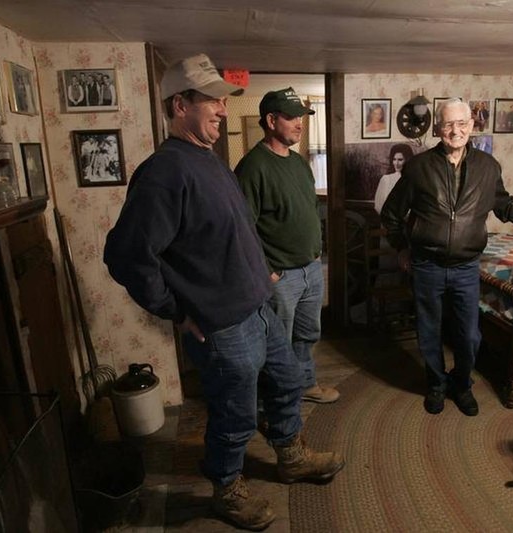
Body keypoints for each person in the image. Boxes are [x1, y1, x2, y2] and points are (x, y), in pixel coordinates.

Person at [103, 53, 344, 531]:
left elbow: (239, 231)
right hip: (221, 323)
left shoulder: (209, 160)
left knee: (287, 383)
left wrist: (262, 272)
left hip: (259, 308)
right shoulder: (164, 171)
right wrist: (176, 310)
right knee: (234, 412)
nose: (221, 109)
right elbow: (127, 256)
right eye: (211, 100)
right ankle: (227, 487)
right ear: (179, 105)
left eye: (221, 100)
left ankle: (290, 456)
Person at [380, 97, 513, 416]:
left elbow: (506, 205)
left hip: (466, 267)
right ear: (438, 128)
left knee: (470, 336)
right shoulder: (418, 168)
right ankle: (436, 385)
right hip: (427, 265)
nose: (455, 130)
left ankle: (461, 385)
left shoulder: (488, 168)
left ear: (472, 126)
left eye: (462, 123)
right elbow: (391, 215)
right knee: (429, 331)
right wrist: (402, 247)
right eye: (448, 124)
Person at [234, 87, 339, 404]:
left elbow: (305, 209)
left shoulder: (298, 163)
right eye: (292, 117)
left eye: (302, 118)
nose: (299, 124)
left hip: (311, 268)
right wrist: (266, 270)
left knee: (308, 335)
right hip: (282, 275)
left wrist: (316, 252)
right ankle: (276, 401)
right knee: (277, 341)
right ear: (270, 120)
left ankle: (305, 384)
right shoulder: (253, 167)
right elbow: (242, 227)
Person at [374, 143, 414, 214]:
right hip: (389, 222)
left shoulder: (414, 180)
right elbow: (378, 206)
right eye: (394, 159)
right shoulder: (386, 179)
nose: (396, 163)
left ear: (407, 160)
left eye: (400, 160)